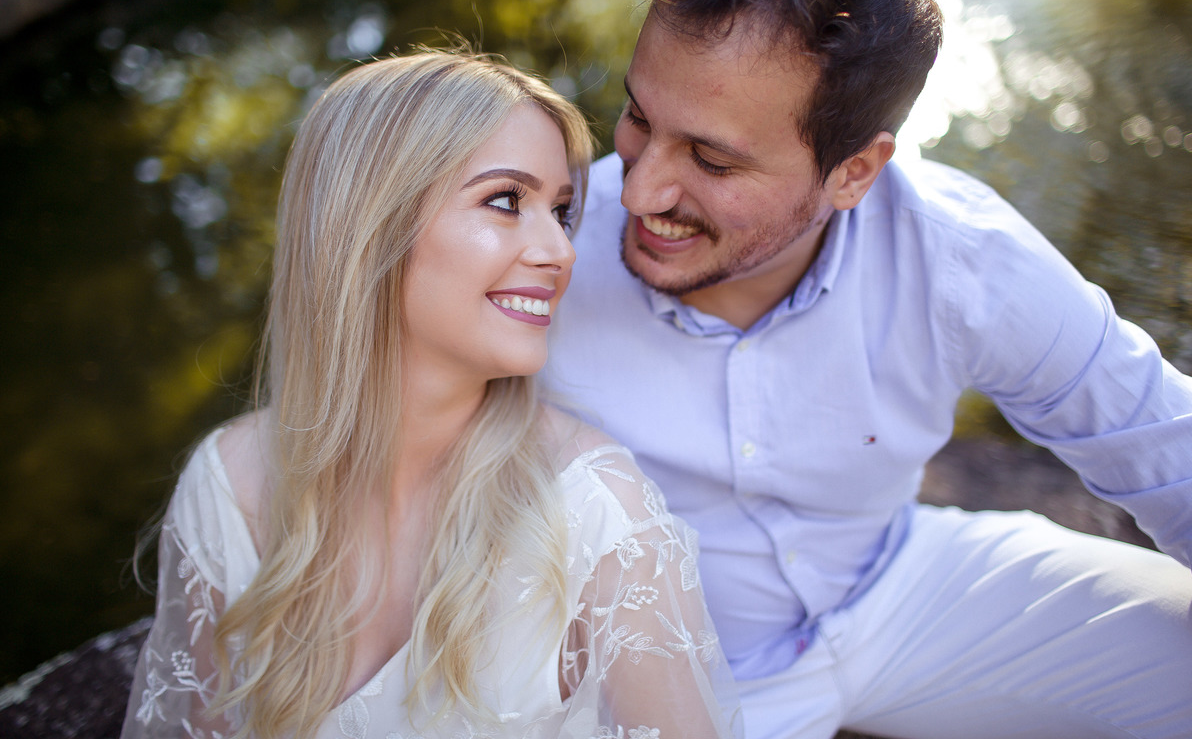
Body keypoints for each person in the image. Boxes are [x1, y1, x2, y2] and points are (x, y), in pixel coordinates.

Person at [543, 0, 1192, 737]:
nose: (639, 187)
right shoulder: (543, 255)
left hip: (901, 589)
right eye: (639, 118)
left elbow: (1167, 442)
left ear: (855, 172)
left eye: (712, 160)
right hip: (681, 673)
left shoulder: (958, 256)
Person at [121, 49, 741, 739]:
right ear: (369, 223)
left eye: (560, 211)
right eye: (506, 201)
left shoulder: (598, 512)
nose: (561, 251)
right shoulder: (229, 486)